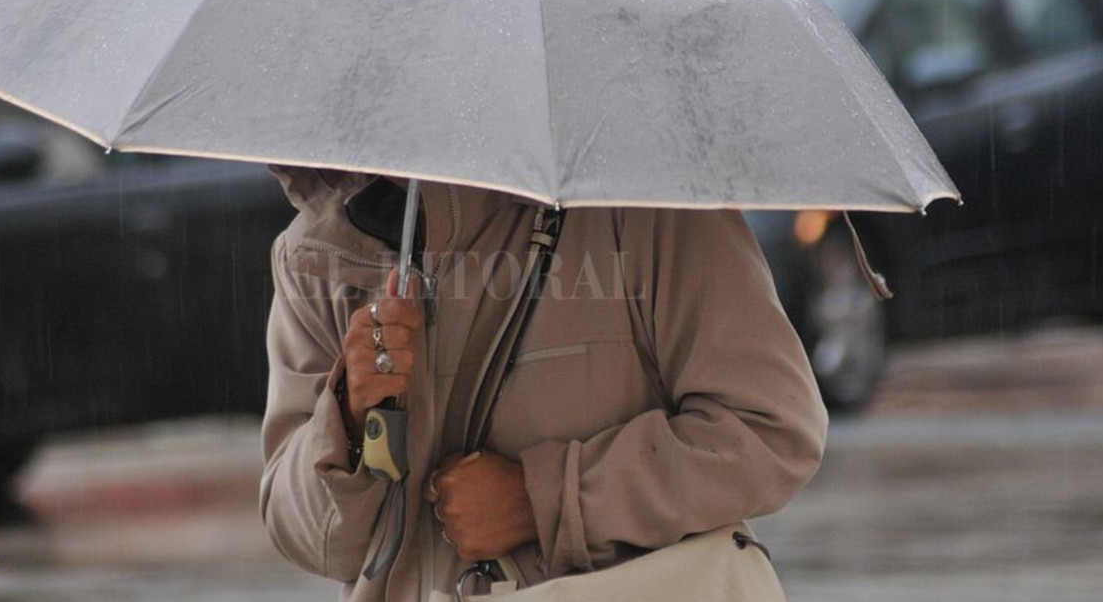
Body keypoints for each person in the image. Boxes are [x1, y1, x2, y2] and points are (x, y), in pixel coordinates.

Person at [260, 167, 828, 601]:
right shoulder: (316, 259)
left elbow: (769, 431)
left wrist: (546, 500)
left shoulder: (647, 210)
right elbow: (314, 541)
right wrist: (349, 416)